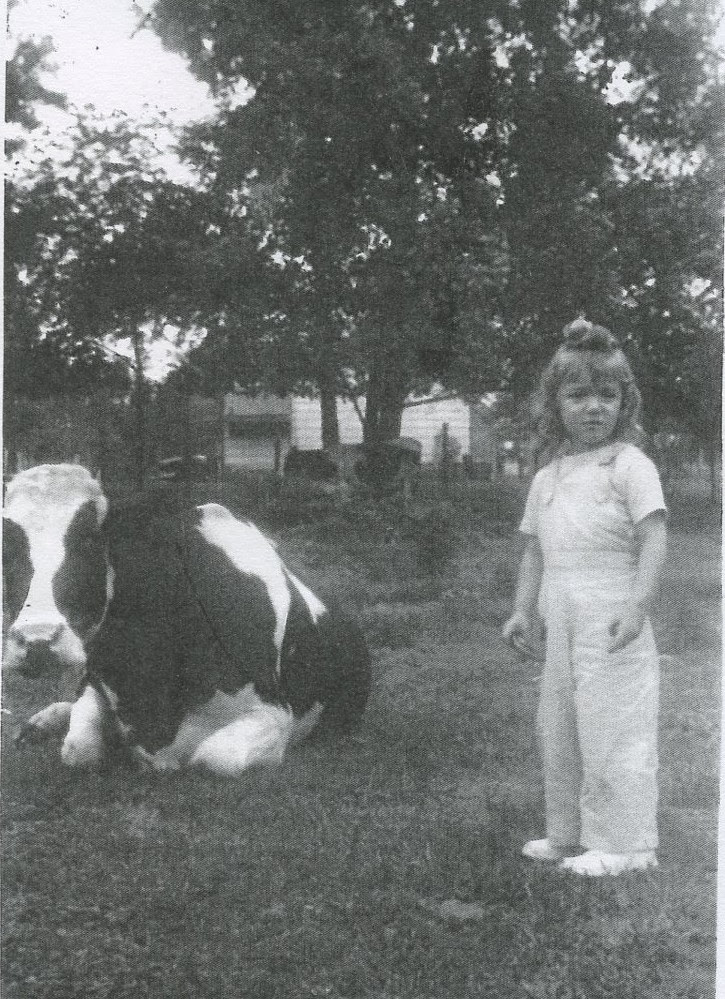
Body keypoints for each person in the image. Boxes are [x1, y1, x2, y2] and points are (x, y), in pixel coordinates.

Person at [503, 318, 668, 876]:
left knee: (613, 721)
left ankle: (626, 843)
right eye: (578, 395)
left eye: (607, 394)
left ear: (625, 401)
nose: (594, 406)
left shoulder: (628, 465)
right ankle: (569, 832)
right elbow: (533, 551)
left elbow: (654, 535)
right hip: (560, 609)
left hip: (611, 609)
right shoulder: (548, 476)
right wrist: (522, 609)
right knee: (561, 723)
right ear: (556, 404)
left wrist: (637, 605)